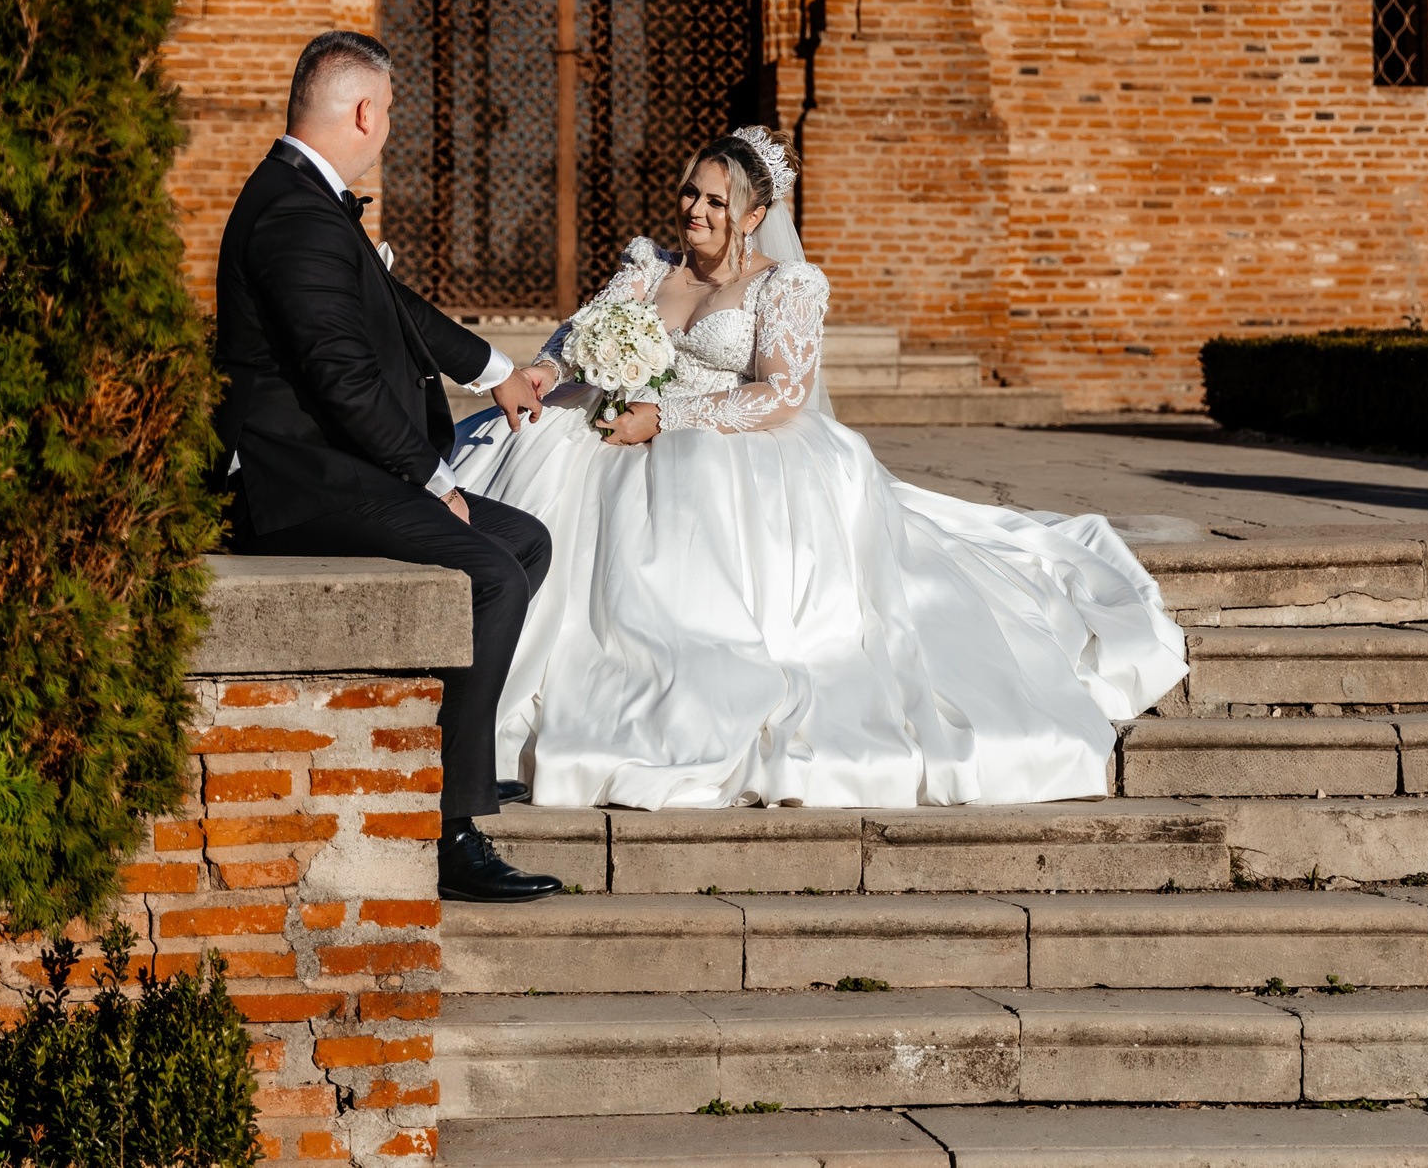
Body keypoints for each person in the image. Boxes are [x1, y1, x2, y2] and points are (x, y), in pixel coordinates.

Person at [450, 126, 1189, 810]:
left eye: (717, 200)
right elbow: (581, 333)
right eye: (690, 193)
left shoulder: (786, 286)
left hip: (721, 438)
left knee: (683, 520)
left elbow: (781, 394)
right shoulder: (650, 267)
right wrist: (547, 372)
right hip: (616, 417)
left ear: (752, 214)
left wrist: (668, 418)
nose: (695, 211)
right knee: (532, 457)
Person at [213, 31, 563, 903]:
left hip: (331, 468)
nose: (389, 126)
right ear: (366, 111)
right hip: (297, 484)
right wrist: (433, 481)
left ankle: (448, 761)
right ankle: (450, 827)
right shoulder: (294, 212)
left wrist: (495, 371)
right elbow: (343, 379)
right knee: (490, 572)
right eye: (391, 110)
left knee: (523, 541)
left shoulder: (304, 196)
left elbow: (392, 305)